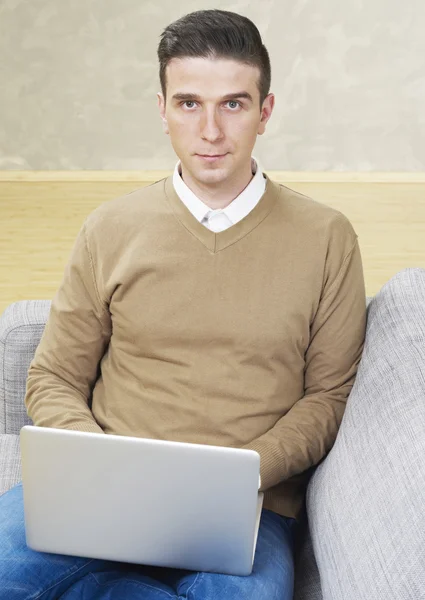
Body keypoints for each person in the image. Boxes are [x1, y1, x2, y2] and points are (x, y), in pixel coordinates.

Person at [0, 8, 366, 600]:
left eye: (234, 104)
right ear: (163, 110)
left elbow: (329, 396)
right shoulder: (110, 228)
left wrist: (245, 472)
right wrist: (98, 462)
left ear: (264, 113)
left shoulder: (327, 238)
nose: (212, 132)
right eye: (190, 103)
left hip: (245, 505)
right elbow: (53, 375)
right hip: (102, 491)